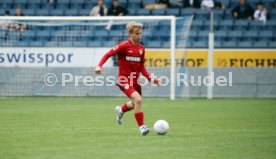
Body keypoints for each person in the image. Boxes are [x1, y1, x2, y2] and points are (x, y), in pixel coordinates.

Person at [95, 22, 160, 136]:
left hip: (135, 81)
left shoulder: (141, 49)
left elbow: (141, 67)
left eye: (140, 33)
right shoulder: (123, 46)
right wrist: (99, 66)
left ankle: (121, 110)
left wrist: (151, 79)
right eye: (137, 33)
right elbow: (108, 54)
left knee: (135, 104)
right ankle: (142, 127)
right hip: (124, 80)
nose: (139, 35)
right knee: (138, 100)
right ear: (130, 34)